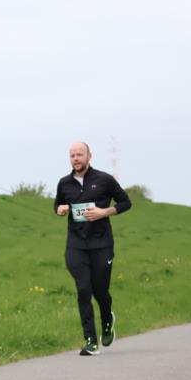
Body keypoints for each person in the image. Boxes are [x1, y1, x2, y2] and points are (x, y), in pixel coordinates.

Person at [54, 142, 131, 356]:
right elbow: (58, 204)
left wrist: (104, 212)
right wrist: (60, 210)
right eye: (72, 155)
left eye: (79, 154)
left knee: (100, 292)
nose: (76, 158)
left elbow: (126, 202)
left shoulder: (104, 180)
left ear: (89, 156)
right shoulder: (64, 183)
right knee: (83, 290)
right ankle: (90, 341)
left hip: (101, 244)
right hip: (76, 245)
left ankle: (107, 319)